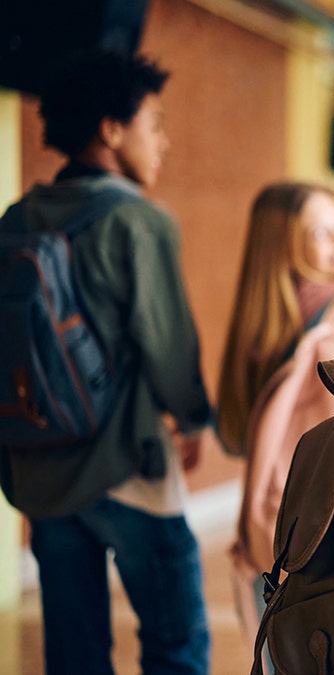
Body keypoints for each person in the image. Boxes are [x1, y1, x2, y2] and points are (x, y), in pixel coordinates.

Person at [0, 50, 212, 674]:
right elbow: (167, 341)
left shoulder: (17, 217)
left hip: (39, 461)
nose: (164, 142)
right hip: (129, 460)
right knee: (176, 644)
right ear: (111, 130)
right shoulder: (138, 219)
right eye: (155, 124)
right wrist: (195, 419)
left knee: (74, 651)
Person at [216, 181, 334, 647]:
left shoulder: (254, 334)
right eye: (321, 232)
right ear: (285, 247)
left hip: (267, 545)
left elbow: (233, 438)